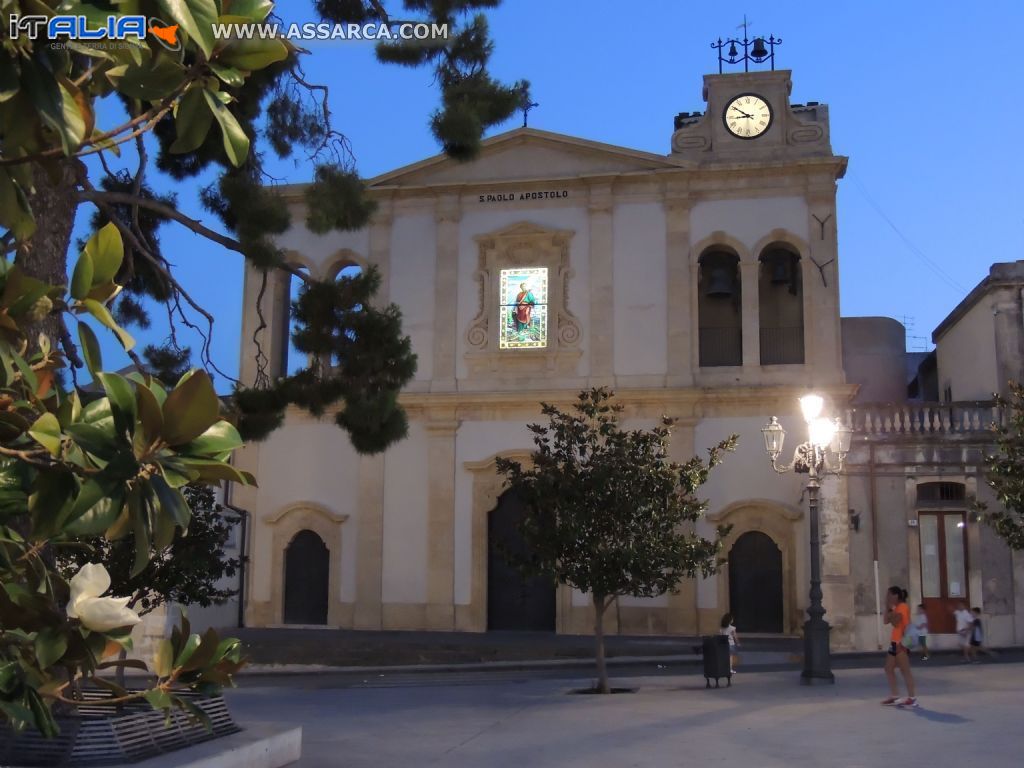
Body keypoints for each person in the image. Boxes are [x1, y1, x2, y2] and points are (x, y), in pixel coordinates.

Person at [881, 586, 917, 707]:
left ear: (896, 596)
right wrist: (888, 608)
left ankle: (912, 697)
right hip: (894, 642)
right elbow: (885, 621)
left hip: (902, 642)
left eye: (889, 595)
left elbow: (896, 622)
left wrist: (892, 610)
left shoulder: (902, 607)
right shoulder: (895, 608)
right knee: (888, 668)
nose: (887, 597)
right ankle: (895, 695)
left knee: (905, 670)